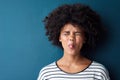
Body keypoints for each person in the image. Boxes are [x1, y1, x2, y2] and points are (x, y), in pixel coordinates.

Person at [37, 3, 110, 80]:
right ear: (59, 37)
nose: (71, 38)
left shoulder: (99, 72)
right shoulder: (47, 73)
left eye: (77, 33)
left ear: (84, 38)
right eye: (66, 33)